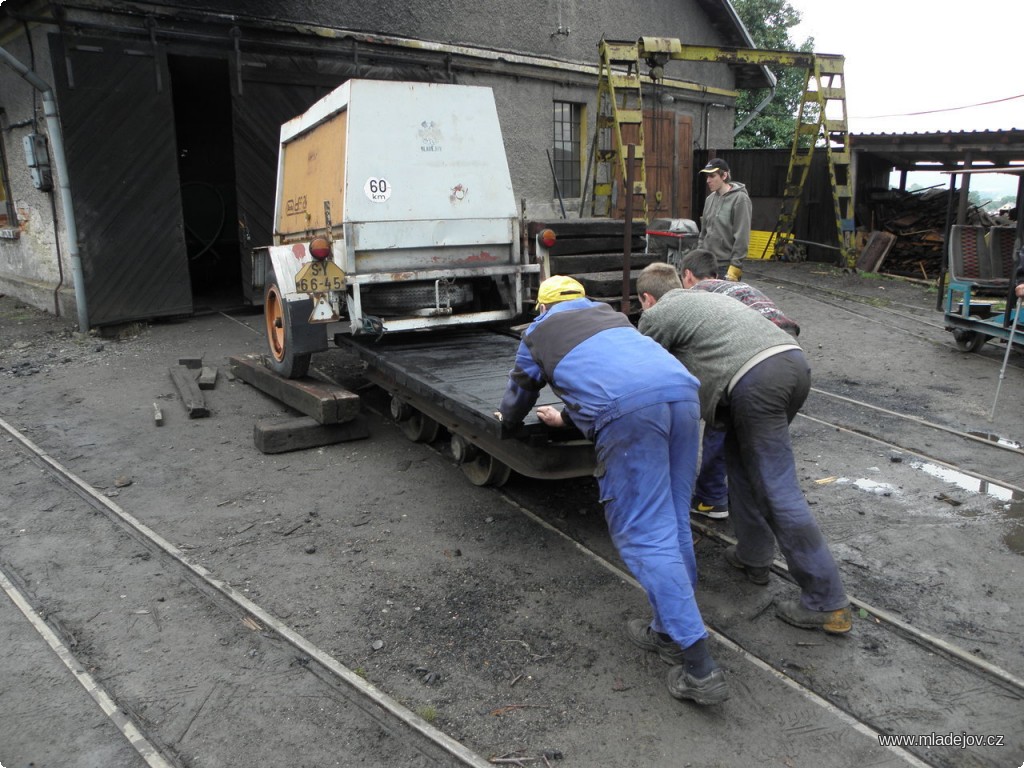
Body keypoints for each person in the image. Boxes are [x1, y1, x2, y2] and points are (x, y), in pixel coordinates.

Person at [496, 275, 728, 704]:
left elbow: (519, 393)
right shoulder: (615, 318)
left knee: (642, 533)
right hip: (682, 396)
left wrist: (506, 424)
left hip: (632, 415)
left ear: (542, 308)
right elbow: (617, 372)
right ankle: (665, 629)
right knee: (673, 519)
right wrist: (567, 417)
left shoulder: (538, 332)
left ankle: (699, 667)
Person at [636, 262, 852, 635]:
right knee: (741, 467)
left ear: (646, 298)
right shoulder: (702, 297)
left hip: (757, 381)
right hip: (791, 363)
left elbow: (638, 370)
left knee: (776, 488)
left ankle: (827, 600)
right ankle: (753, 556)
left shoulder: (660, 312)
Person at [679, 249, 801, 521]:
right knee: (756, 436)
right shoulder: (740, 288)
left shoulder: (698, 296)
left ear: (687, 275)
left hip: (756, 360)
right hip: (792, 356)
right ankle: (748, 497)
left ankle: (711, 499)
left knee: (719, 420)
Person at [696, 158, 751, 283]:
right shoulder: (709, 199)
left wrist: (735, 267)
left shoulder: (740, 199)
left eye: (712, 176)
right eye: (707, 176)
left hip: (725, 267)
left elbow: (742, 237)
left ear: (724, 175)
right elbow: (703, 233)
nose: (708, 180)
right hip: (707, 265)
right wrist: (699, 257)